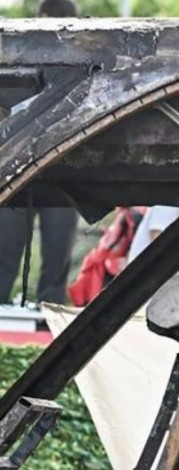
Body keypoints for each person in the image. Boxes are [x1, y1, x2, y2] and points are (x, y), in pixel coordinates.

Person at [0, 0, 80, 305]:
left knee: (55, 251)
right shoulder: (21, 56)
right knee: (9, 250)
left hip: (58, 170)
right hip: (22, 168)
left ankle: (49, 306)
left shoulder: (80, 61)